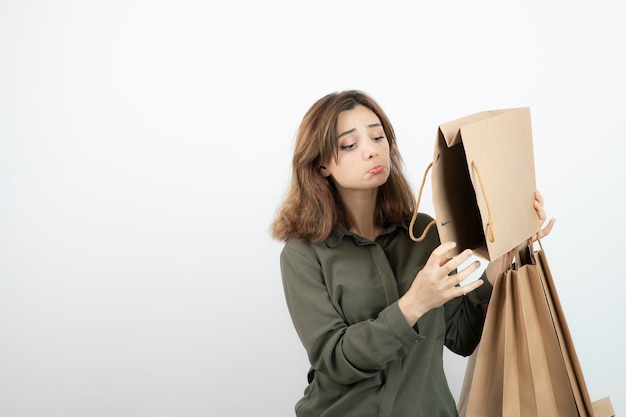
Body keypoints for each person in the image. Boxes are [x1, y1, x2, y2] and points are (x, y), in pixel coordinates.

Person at [270, 90, 555, 417]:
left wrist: (505, 254)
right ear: (320, 165)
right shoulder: (303, 254)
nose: (371, 151)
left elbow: (461, 337)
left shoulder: (424, 233)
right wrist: (414, 303)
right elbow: (335, 360)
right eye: (350, 144)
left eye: (378, 137)